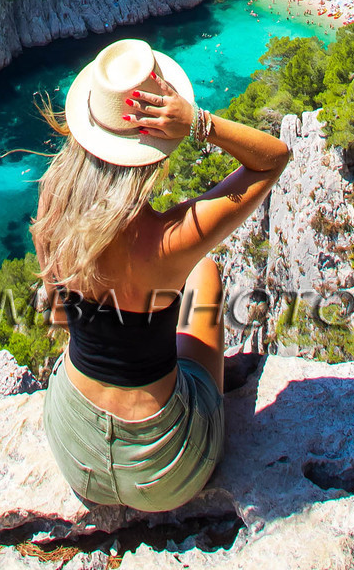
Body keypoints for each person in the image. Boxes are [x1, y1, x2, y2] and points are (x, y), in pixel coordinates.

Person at [33, 35, 291, 511]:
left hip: (75, 449)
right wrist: (199, 124)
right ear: (153, 146)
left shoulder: (54, 204)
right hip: (165, 473)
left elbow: (59, 317)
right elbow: (273, 159)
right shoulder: (170, 240)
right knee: (204, 273)